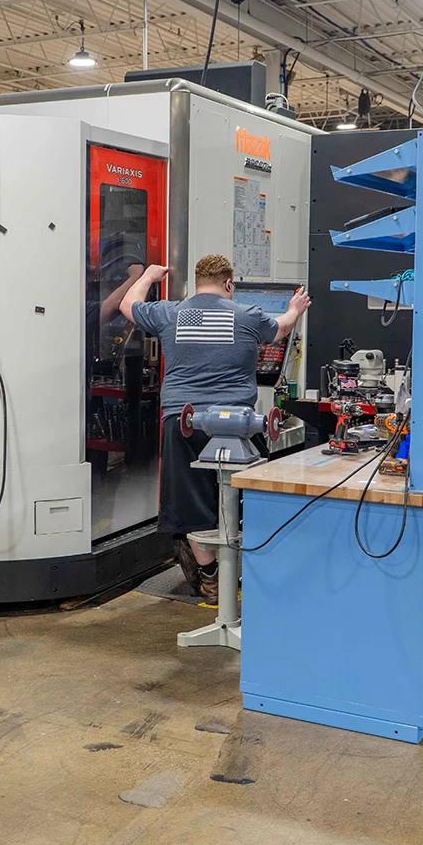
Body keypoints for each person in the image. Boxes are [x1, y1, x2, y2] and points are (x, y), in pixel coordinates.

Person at [120, 253, 311, 603]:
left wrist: (149, 276)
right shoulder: (247, 315)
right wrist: (295, 307)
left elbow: (127, 305)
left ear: (198, 284)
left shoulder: (170, 313)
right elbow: (282, 328)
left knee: (192, 504)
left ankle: (211, 580)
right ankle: (252, 570)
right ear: (229, 284)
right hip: (238, 425)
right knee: (250, 497)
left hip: (183, 423)